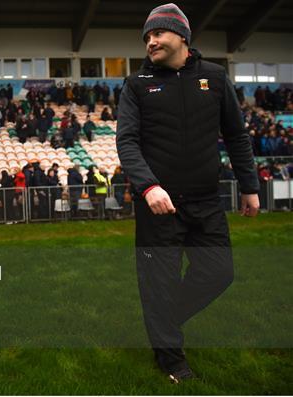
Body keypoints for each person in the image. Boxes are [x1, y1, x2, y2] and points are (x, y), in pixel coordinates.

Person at [116, 3, 260, 384]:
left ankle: (162, 323)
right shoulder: (136, 85)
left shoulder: (214, 78)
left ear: (181, 36)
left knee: (218, 272)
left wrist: (249, 186)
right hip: (158, 207)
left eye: (158, 33)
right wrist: (148, 187)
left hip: (206, 201)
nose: (151, 41)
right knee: (158, 283)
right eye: (147, 36)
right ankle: (172, 362)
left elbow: (236, 134)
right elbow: (127, 142)